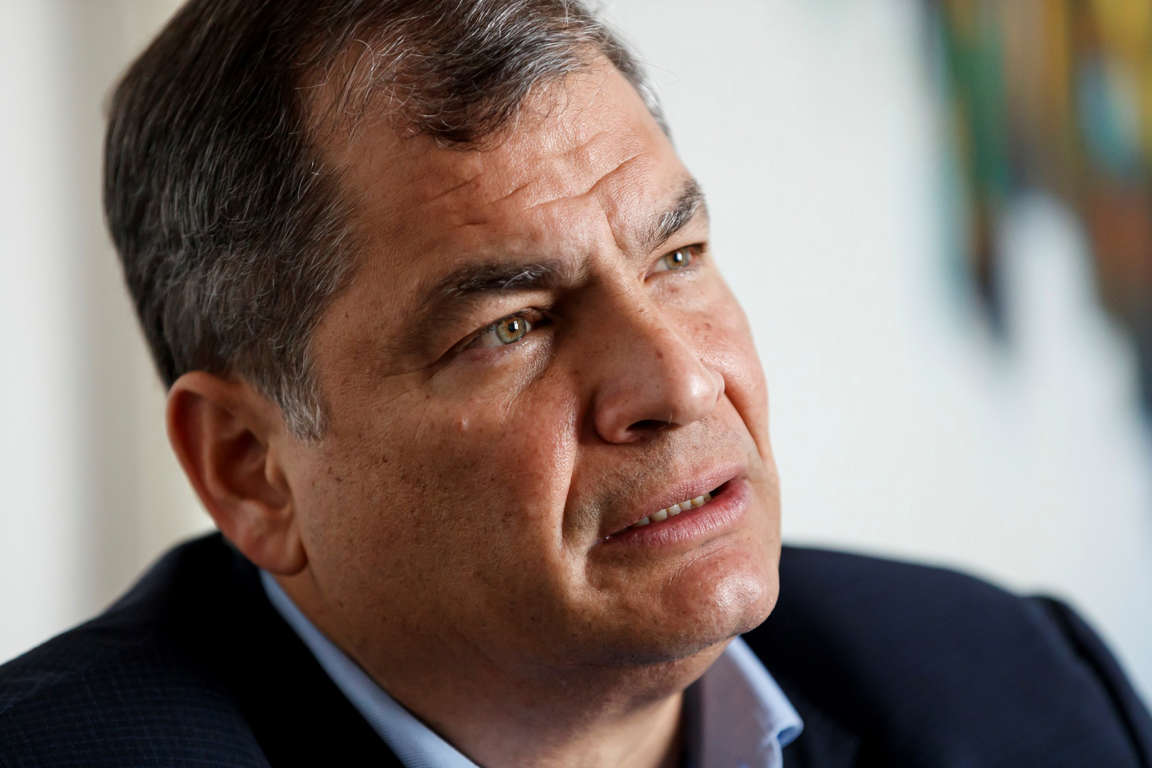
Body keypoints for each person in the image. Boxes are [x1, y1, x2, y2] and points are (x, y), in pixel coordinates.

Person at [1, 0, 1150, 765]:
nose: (680, 381)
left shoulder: (1014, 687)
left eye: (677, 258)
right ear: (252, 468)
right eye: (513, 325)